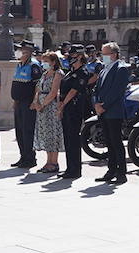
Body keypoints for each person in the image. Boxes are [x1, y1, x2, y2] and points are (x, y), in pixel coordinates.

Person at [92, 41, 130, 183]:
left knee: (116, 142)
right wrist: (96, 103)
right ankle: (111, 170)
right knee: (108, 142)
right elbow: (96, 88)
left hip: (114, 111)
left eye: (105, 53)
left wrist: (104, 105)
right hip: (102, 111)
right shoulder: (103, 69)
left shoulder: (121, 69)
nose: (103, 56)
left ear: (114, 54)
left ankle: (121, 172)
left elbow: (117, 91)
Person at [58, 46, 90, 182]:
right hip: (66, 106)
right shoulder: (71, 72)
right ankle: (69, 167)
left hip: (74, 107)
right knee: (68, 139)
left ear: (80, 56)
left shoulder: (83, 72)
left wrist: (62, 105)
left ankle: (75, 169)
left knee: (73, 139)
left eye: (73, 55)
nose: (70, 58)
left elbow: (73, 91)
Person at [9, 41, 43, 168]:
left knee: (27, 131)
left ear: (27, 51)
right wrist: (15, 101)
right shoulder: (19, 64)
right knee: (19, 131)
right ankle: (23, 156)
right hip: (19, 102)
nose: (17, 52)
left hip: (28, 103)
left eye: (20, 50)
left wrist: (35, 101)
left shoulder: (34, 65)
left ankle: (30, 158)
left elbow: (37, 85)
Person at [32, 51, 64, 173]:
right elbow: (38, 89)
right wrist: (36, 102)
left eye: (46, 61)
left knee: (53, 134)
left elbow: (54, 91)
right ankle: (48, 161)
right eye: (43, 61)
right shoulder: (45, 74)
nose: (44, 63)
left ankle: (54, 162)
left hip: (51, 107)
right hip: (41, 107)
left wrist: (43, 104)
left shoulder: (58, 73)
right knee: (45, 134)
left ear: (54, 62)